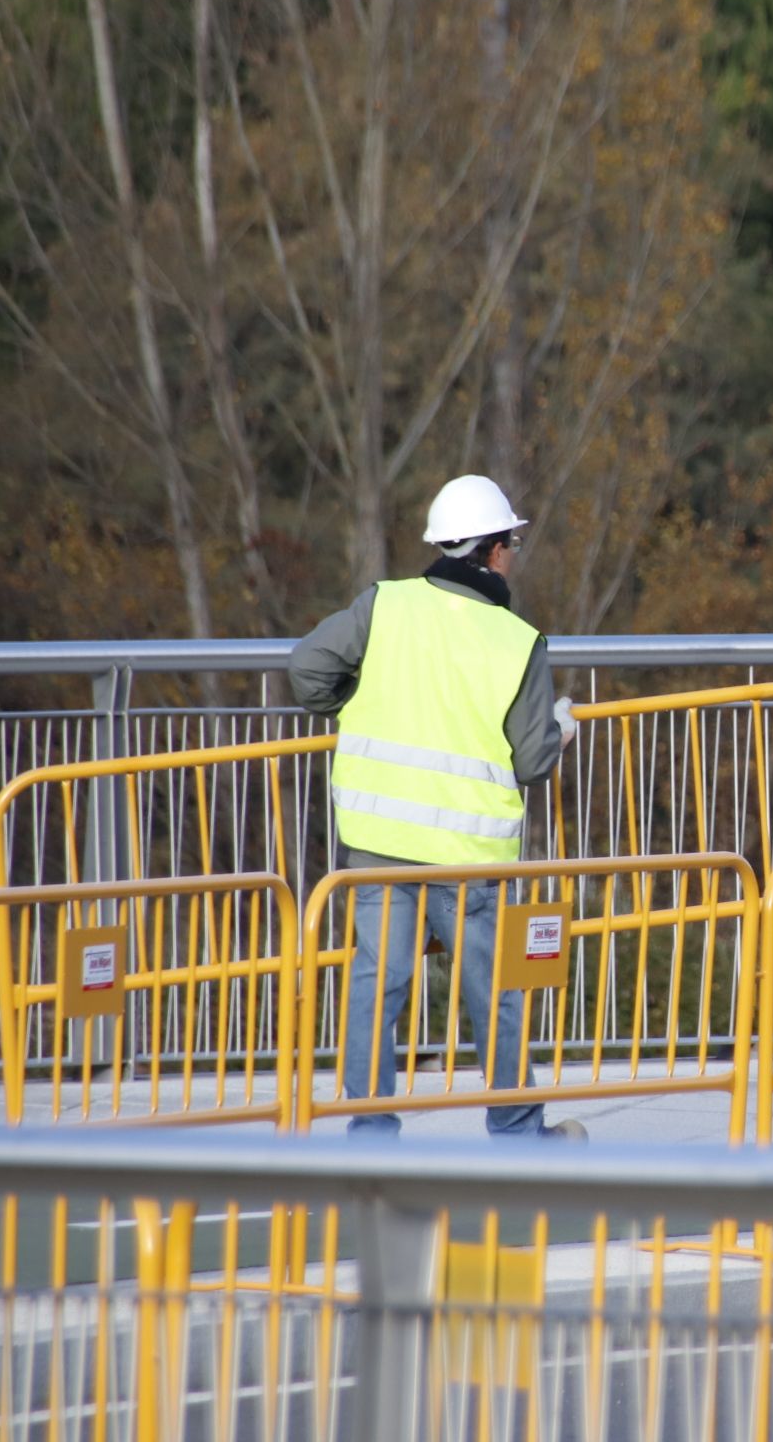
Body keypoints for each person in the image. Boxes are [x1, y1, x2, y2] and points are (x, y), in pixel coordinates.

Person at [288, 475, 584, 1140]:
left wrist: (356, 704)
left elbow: (307, 671)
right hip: (469, 861)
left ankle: (368, 1135)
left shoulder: (383, 606)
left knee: (376, 986)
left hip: (379, 848)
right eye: (511, 541)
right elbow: (532, 761)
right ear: (497, 550)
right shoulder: (516, 642)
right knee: (495, 997)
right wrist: (562, 730)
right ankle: (515, 1132)